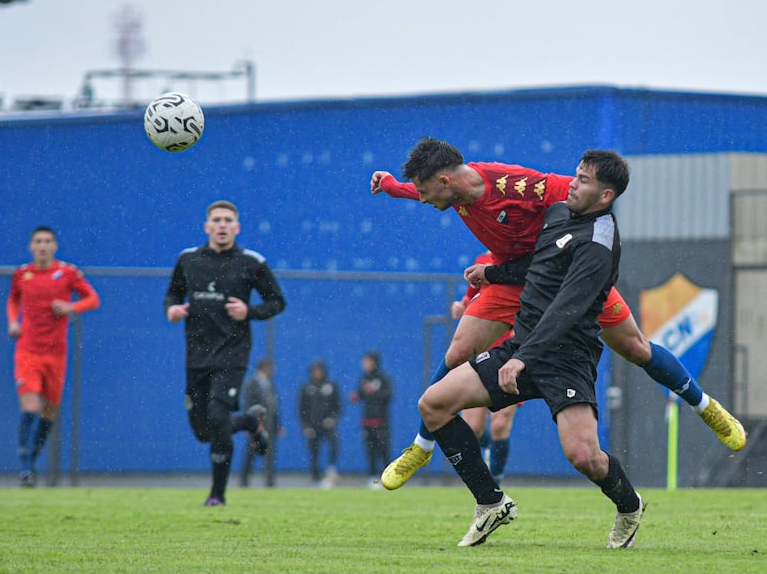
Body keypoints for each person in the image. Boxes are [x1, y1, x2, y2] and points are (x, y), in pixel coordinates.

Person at [370, 137, 745, 490]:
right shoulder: (451, 191)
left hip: (564, 276)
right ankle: (421, 447)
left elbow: (585, 192)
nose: (420, 199)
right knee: (457, 352)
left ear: (445, 179)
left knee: (636, 348)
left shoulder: (517, 185)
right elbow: (416, 190)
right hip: (507, 279)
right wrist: (389, 185)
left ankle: (706, 406)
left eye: (423, 190)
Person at [420, 149, 645, 547]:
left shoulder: (599, 245)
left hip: (567, 358)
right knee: (433, 404)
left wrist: (523, 358)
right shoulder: (558, 214)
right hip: (522, 348)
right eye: (576, 175)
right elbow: (536, 265)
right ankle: (491, 503)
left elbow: (566, 309)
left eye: (585, 180)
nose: (573, 183)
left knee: (585, 458)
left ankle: (629, 506)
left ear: (606, 196)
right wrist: (492, 273)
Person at [164, 200, 286, 506]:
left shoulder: (251, 262)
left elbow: (277, 301)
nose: (221, 225)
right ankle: (247, 422)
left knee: (218, 416)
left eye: (227, 220)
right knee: (204, 431)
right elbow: (172, 294)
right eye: (216, 220)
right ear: (206, 227)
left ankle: (217, 495)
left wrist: (249, 311)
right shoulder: (188, 259)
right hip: (196, 357)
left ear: (237, 227)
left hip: (232, 354)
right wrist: (172, 310)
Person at [6, 226, 101, 488]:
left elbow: (92, 299)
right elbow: (12, 301)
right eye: (38, 241)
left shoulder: (67, 273)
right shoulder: (22, 274)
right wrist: (13, 322)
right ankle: (25, 468)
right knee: (30, 407)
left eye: (47, 241)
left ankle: (30, 465)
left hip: (56, 353)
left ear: (55, 246)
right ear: (31, 246)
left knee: (48, 413)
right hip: (28, 351)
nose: (43, 246)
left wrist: (72, 306)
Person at [455, 252, 518, 485]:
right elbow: (470, 296)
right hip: (482, 352)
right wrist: (461, 305)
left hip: (512, 354)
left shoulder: (523, 260)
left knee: (500, 425)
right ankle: (483, 480)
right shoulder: (482, 260)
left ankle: (497, 480)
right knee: (472, 428)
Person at [349, 350, 393, 488]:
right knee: (370, 451)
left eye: (367, 361)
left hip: (381, 422)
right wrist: (356, 396)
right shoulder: (364, 379)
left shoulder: (383, 378)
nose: (364, 364)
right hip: (367, 422)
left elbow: (389, 394)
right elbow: (359, 395)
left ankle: (389, 479)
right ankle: (373, 480)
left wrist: (375, 392)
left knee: (384, 451)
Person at [299, 359, 342, 488]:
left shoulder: (331, 385)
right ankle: (315, 475)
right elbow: (301, 408)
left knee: (333, 445)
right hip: (313, 425)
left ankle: (331, 470)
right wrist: (306, 425)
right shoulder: (307, 387)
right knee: (313, 450)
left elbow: (338, 405)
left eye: (319, 371)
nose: (317, 374)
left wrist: (332, 418)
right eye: (315, 371)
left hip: (327, 424)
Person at [240, 357, 282, 488]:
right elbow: (248, 404)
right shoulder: (252, 383)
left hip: (269, 424)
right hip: (257, 424)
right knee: (251, 453)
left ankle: (270, 482)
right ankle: (244, 481)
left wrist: (277, 424)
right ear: (264, 367)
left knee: (270, 454)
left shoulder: (269, 382)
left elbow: (274, 406)